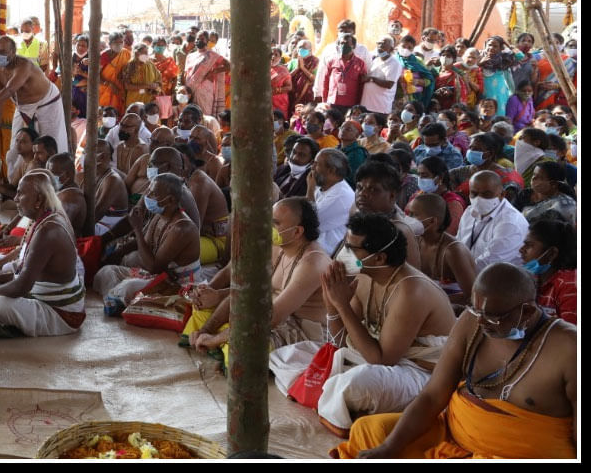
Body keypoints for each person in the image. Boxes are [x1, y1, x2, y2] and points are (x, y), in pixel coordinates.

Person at [332, 263, 575, 459]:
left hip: (517, 455)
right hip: (452, 435)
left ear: (529, 312)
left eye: (491, 317)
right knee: (371, 432)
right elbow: (432, 396)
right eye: (475, 310)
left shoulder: (569, 347)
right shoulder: (472, 321)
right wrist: (389, 449)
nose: (480, 322)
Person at [270, 213, 455, 435]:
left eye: (351, 248)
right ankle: (346, 405)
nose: (342, 254)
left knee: (355, 384)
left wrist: (342, 305)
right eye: (345, 245)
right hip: (374, 358)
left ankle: (345, 404)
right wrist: (332, 304)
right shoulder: (365, 276)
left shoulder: (411, 291)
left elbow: (382, 360)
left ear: (379, 258)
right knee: (288, 354)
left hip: (420, 374)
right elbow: (339, 342)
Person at [187, 197, 331, 367]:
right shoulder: (278, 247)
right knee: (202, 311)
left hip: (301, 332)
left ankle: (221, 345)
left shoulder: (312, 263)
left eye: (275, 223)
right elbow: (246, 290)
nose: (267, 227)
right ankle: (209, 339)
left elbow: (270, 317)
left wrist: (215, 339)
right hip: (270, 315)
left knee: (242, 348)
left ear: (297, 232)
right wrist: (206, 328)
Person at [0, 171, 85, 337]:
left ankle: (8, 328)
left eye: (20, 193)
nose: (15, 198)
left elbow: (21, 286)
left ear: (38, 200)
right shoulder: (44, 219)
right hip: (42, 295)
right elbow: (26, 270)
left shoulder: (49, 230)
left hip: (61, 314)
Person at [93, 172, 201, 305]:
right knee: (106, 272)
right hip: (156, 275)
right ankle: (118, 300)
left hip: (177, 285)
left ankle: (119, 300)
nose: (147, 197)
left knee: (128, 287)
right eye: (148, 191)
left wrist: (137, 229)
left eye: (153, 194)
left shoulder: (182, 228)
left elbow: (153, 267)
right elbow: (145, 243)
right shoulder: (160, 215)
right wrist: (117, 254)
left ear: (171, 200)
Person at [0, 35, 70, 157]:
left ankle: (51, 174)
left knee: (50, 146)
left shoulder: (24, 65)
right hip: (23, 108)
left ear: (13, 52)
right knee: (15, 148)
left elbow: (10, 89)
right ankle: (19, 175)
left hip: (48, 104)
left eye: (2, 52)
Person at [409, 193, 475, 305]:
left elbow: (473, 296)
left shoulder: (453, 251)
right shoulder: (415, 241)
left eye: (413, 215)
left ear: (432, 221)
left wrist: (431, 303)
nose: (408, 219)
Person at [457, 170, 528, 270]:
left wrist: (455, 269)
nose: (479, 199)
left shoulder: (510, 222)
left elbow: (489, 263)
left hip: (499, 279)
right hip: (467, 273)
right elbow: (459, 244)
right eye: (474, 193)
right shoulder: (469, 212)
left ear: (502, 194)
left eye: (486, 194)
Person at [307, 148, 354, 255]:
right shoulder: (324, 186)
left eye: (317, 164)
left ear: (331, 170)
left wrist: (310, 189)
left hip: (326, 253)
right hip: (314, 247)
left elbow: (308, 221)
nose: (312, 167)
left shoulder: (340, 196)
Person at [413, 155, 466, 236]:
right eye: (419, 175)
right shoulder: (418, 195)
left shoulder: (453, 203)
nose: (420, 179)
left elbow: (449, 233)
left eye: (425, 175)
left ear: (440, 177)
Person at [479, 35, 517, 111]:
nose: (491, 48)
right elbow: (470, 70)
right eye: (489, 45)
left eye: (495, 46)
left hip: (499, 92)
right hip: (483, 91)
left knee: (499, 112)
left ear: (500, 48)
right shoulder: (478, 56)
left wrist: (507, 45)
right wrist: (480, 63)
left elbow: (520, 56)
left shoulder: (504, 59)